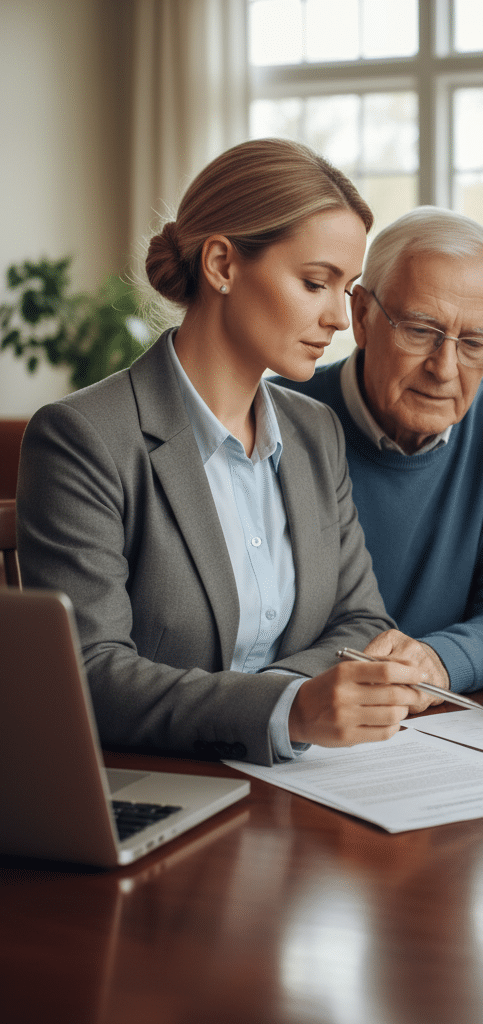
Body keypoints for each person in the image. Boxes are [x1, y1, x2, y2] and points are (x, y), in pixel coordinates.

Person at [16, 138, 431, 766]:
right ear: (222, 265)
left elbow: (361, 624)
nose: (339, 321)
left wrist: (287, 706)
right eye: (315, 282)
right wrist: (287, 708)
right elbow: (90, 673)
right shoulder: (83, 438)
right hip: (155, 785)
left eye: (344, 291)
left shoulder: (315, 430)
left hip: (297, 781)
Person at [274, 207, 483, 694]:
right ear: (362, 315)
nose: (445, 368)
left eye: (475, 342)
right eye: (421, 330)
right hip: (308, 704)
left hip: (449, 712)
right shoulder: (279, 417)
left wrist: (438, 660)